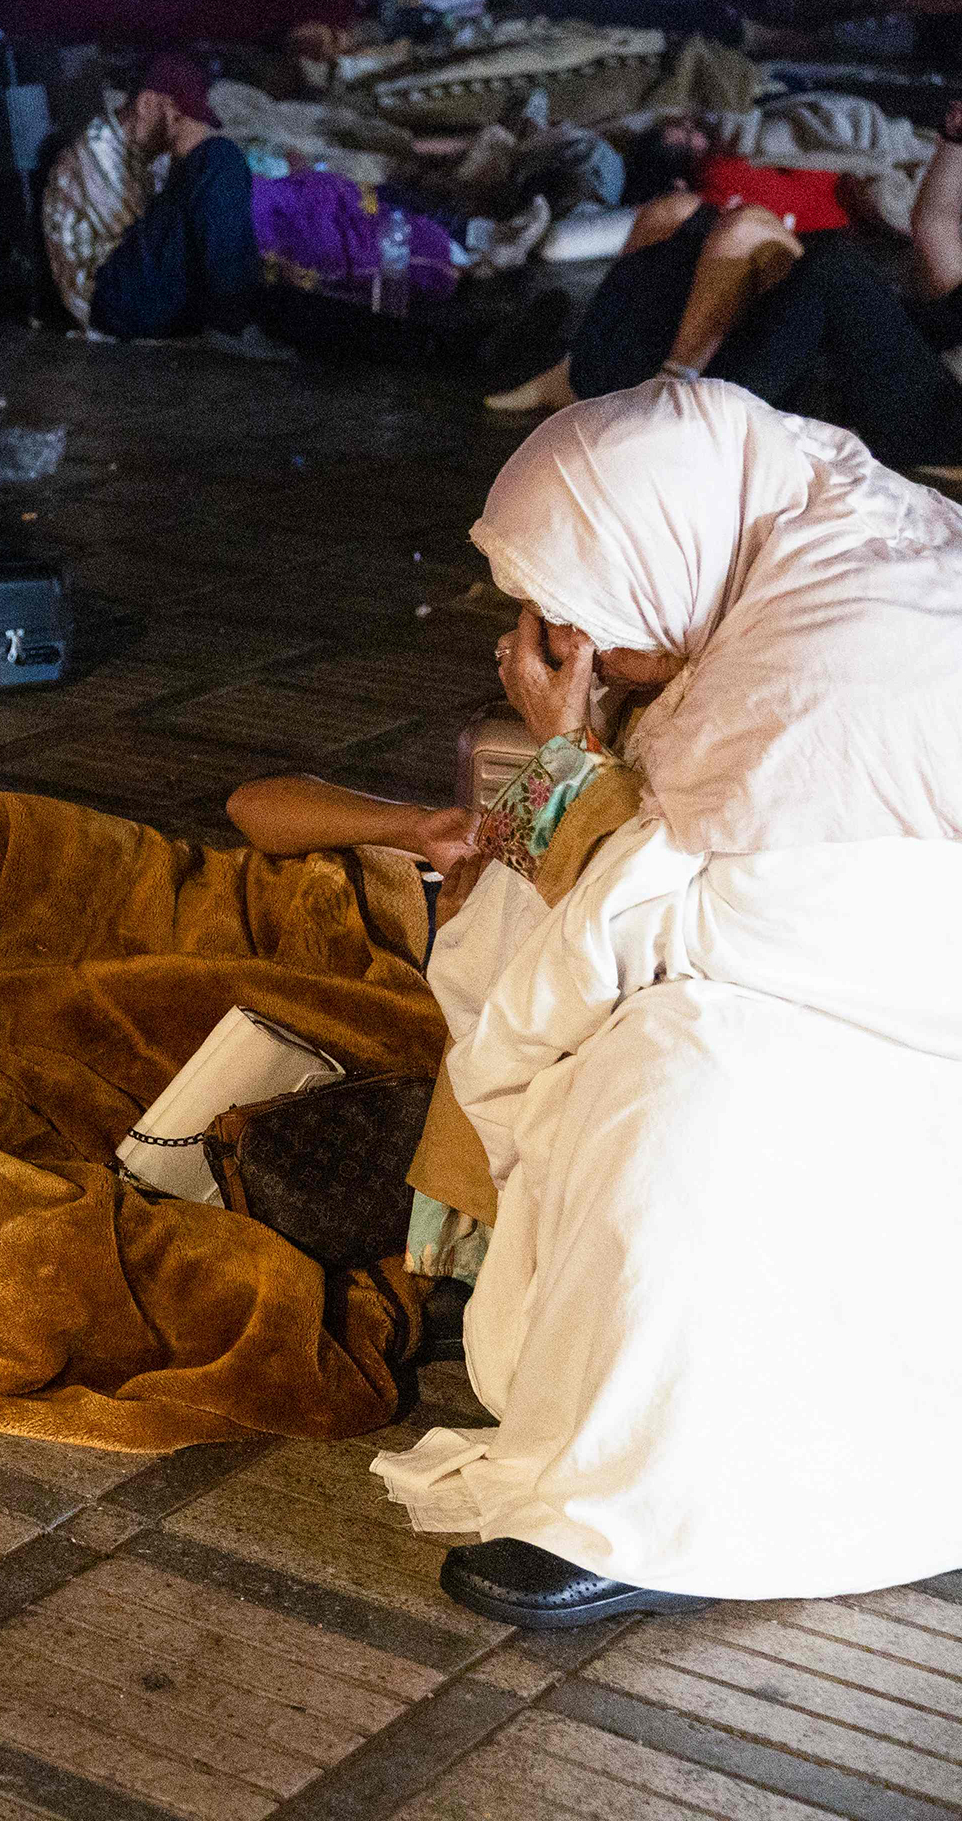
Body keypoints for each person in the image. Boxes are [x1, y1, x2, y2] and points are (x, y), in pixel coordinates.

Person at [358, 378, 962, 1623]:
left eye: (571, 619)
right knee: (603, 997)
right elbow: (606, 876)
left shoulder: (843, 648)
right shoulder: (766, 566)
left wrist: (568, 757)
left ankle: (628, 1499)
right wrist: (571, 758)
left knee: (677, 1079)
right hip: (807, 962)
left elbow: (699, 908)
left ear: (660, 553)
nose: (556, 646)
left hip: (896, 1008)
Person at [485, 103, 962, 470]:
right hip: (887, 352)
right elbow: (934, 220)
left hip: (933, 419)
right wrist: (954, 134)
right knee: (676, 215)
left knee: (807, 252)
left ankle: (694, 411)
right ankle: (582, 377)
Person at [40, 54, 263, 342]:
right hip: (106, 300)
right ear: (146, 104)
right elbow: (133, 236)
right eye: (182, 116)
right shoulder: (93, 151)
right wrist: (192, 159)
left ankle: (241, 311)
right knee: (219, 157)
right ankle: (237, 320)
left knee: (216, 165)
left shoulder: (147, 155)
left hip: (130, 289)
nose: (188, 128)